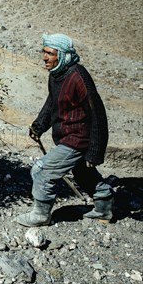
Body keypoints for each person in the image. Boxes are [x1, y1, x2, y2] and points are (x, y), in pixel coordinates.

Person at [16, 33, 114, 227]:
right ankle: (104, 206)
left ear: (63, 55)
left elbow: (98, 115)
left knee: (42, 169)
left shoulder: (79, 77)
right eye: (44, 52)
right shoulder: (57, 75)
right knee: (82, 173)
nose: (44, 57)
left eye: (50, 53)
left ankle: (41, 215)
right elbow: (52, 102)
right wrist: (39, 125)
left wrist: (95, 152)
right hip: (66, 137)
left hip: (77, 139)